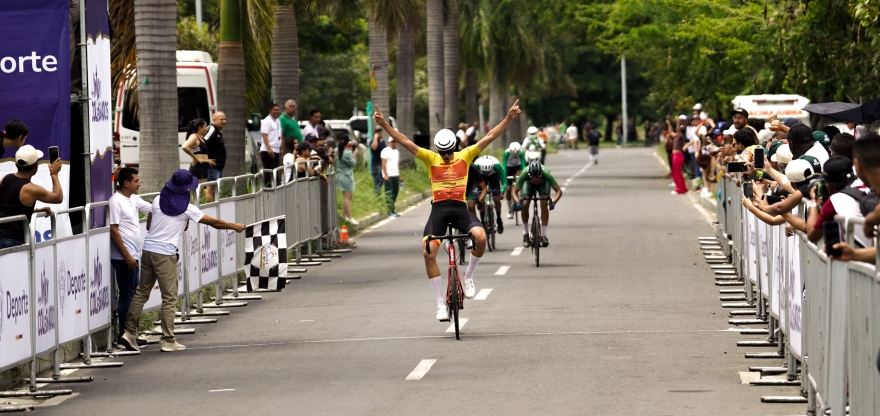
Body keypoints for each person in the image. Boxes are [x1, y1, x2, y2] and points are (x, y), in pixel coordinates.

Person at [372, 100, 521, 322]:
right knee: (427, 252)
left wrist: (509, 118)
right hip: (439, 211)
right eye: (443, 153)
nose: (447, 156)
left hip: (460, 209)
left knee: (480, 236)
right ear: (438, 150)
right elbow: (404, 141)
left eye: (449, 152)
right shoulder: (430, 158)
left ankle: (469, 276)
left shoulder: (466, 155)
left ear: (455, 148)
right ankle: (441, 304)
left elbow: (490, 137)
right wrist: (384, 125)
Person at [119, 170, 245, 353]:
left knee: (141, 293)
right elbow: (214, 223)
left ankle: (129, 333)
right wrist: (234, 226)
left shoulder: (157, 200)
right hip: (165, 254)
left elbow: (149, 225)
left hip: (148, 250)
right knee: (169, 298)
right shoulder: (186, 208)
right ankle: (168, 340)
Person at [108, 167, 152, 346]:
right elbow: (113, 230)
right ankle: (124, 335)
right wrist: (126, 255)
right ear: (126, 183)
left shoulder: (133, 199)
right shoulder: (116, 201)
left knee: (135, 294)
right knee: (127, 295)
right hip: (124, 257)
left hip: (135, 254)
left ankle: (131, 333)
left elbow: (154, 209)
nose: (139, 183)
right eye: (136, 181)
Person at [0, 146, 62, 249]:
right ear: (36, 166)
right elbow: (58, 197)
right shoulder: (31, 189)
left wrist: (33, 211)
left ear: (16, 164)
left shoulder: (4, 179)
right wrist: (54, 174)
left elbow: (8, 208)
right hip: (14, 241)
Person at [512, 160, 563, 247]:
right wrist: (517, 202)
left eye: (538, 177)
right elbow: (514, 191)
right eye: (533, 177)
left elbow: (558, 191)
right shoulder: (524, 173)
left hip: (543, 184)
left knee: (544, 203)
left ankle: (544, 235)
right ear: (529, 175)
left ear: (541, 174)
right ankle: (525, 234)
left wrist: (554, 202)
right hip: (528, 184)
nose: (536, 180)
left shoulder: (546, 173)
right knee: (525, 203)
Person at [475, 155, 506, 233]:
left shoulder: (497, 166)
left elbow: (504, 182)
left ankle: (499, 219)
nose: (486, 174)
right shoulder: (476, 166)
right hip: (480, 177)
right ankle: (482, 221)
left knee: (496, 198)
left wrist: (502, 192)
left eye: (488, 172)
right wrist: (476, 193)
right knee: (480, 198)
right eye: (485, 172)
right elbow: (473, 181)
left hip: (494, 176)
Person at [180, 118, 213, 185]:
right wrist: (195, 158)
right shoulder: (194, 136)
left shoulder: (201, 138)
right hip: (198, 168)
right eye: (205, 126)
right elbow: (184, 146)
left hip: (204, 167)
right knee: (199, 192)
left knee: (204, 192)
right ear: (200, 127)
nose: (206, 129)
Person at [203, 112, 227, 203]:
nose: (224, 121)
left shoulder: (217, 131)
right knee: (211, 189)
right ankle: (209, 211)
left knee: (216, 190)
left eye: (225, 119)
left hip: (219, 167)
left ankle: (214, 209)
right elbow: (202, 141)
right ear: (214, 120)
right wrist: (205, 159)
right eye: (221, 119)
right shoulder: (212, 130)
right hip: (213, 167)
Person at [336, 133, 358, 224]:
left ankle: (343, 215)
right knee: (347, 197)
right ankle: (349, 217)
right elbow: (353, 163)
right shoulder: (347, 153)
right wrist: (355, 154)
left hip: (340, 175)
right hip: (347, 176)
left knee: (347, 197)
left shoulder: (335, 150)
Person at [260, 104, 283, 184]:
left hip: (276, 150)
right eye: (275, 110)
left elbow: (280, 134)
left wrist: (281, 147)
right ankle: (268, 192)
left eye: (278, 110)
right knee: (269, 173)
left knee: (275, 172)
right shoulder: (267, 121)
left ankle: (275, 190)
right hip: (268, 151)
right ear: (270, 110)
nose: (277, 111)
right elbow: (264, 135)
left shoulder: (277, 121)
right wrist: (269, 148)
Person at [502, 142, 526, 218]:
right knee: (508, 189)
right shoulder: (506, 153)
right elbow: (504, 166)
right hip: (508, 168)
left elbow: (523, 164)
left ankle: (522, 198)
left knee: (521, 181)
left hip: (518, 167)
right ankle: (509, 209)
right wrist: (504, 176)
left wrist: (523, 174)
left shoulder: (522, 152)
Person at [381, 138, 402, 217]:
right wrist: (385, 175)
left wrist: (399, 177)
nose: (394, 143)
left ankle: (392, 209)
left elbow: (396, 165)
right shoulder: (385, 151)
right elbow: (383, 163)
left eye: (395, 142)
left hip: (395, 175)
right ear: (389, 143)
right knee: (389, 193)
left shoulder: (396, 152)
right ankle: (390, 211)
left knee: (395, 192)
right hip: (388, 175)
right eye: (392, 142)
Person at [670, 119, 688, 195]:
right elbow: (670, 132)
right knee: (676, 172)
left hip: (678, 155)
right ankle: (682, 188)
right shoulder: (677, 136)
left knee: (677, 173)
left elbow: (677, 130)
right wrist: (668, 123)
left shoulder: (681, 136)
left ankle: (679, 189)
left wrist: (677, 122)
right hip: (675, 155)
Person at [370, 129, 386, 195]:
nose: (379, 133)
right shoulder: (372, 141)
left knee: (381, 181)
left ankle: (377, 194)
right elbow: (374, 147)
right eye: (377, 132)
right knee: (377, 181)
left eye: (380, 131)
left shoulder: (382, 142)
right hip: (375, 165)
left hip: (382, 164)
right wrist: (375, 138)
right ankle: (377, 196)